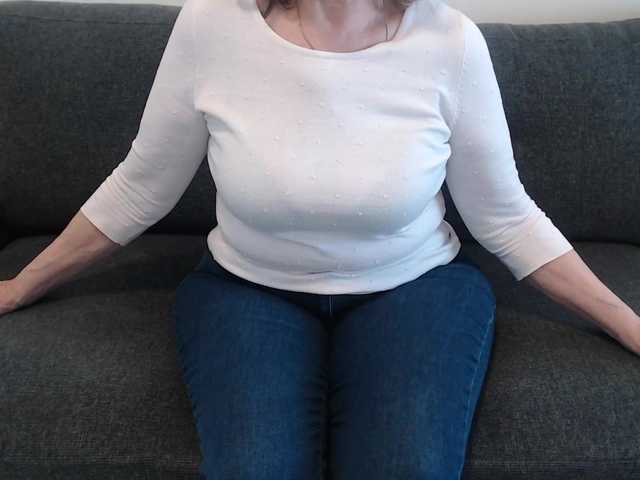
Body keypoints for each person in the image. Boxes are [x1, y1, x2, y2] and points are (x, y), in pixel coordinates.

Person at [2, 0, 638, 478]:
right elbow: (140, 187)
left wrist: (626, 323)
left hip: (415, 289)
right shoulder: (211, 27)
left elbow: (506, 216)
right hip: (246, 290)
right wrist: (22, 285)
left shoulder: (450, 43)